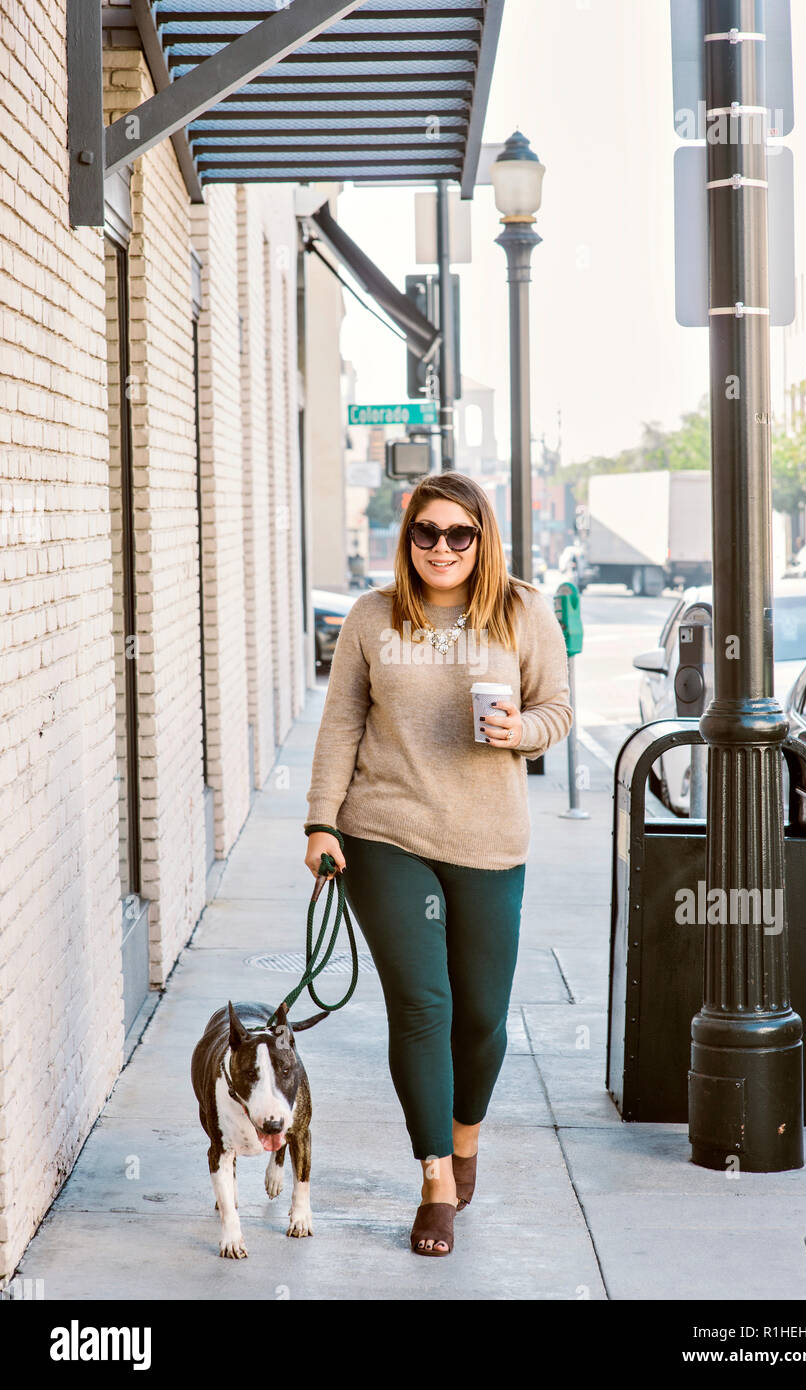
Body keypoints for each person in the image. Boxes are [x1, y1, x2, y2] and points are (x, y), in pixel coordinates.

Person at [303, 472, 572, 1256]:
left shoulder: (523, 611)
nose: (442, 548)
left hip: (489, 840)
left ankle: (464, 1137)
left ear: (482, 538)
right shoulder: (372, 616)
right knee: (423, 1007)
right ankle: (434, 1181)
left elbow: (556, 709)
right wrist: (322, 822)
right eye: (427, 532)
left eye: (460, 534)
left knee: (482, 1017)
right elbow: (340, 724)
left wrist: (518, 730)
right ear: (407, 537)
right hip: (385, 834)